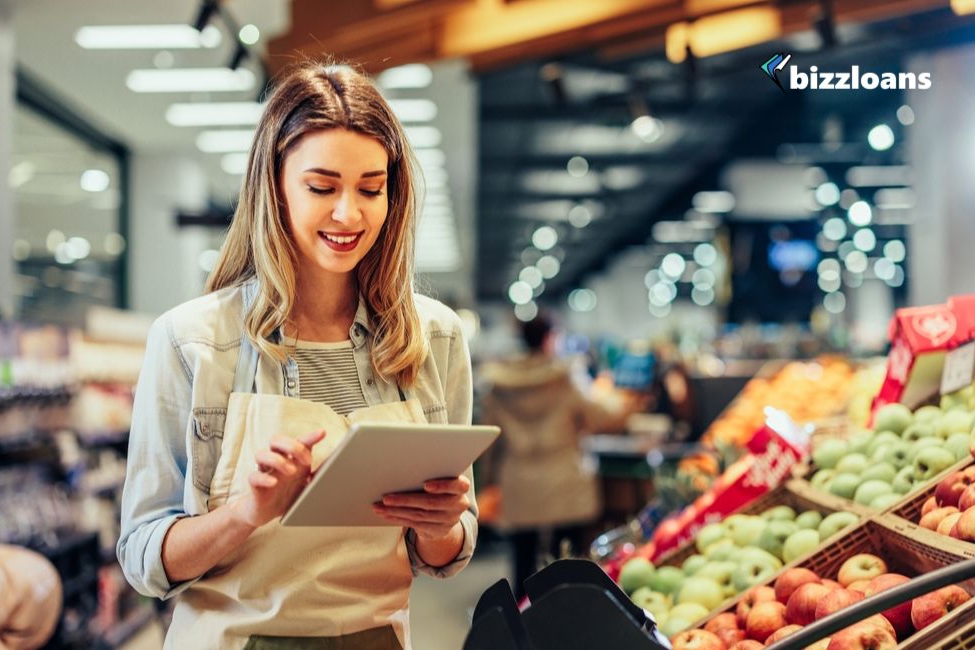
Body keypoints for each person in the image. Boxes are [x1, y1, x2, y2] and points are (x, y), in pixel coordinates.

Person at [117, 61, 477, 650]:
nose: (349, 214)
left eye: (370, 188)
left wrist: (437, 528)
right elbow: (142, 557)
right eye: (321, 186)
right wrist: (246, 513)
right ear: (274, 185)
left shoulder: (432, 338)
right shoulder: (192, 341)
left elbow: (444, 550)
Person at [481, 314, 631, 598]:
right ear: (550, 338)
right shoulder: (565, 377)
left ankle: (522, 620)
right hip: (564, 477)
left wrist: (489, 482)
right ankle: (563, 618)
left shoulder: (499, 384)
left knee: (522, 557)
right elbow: (600, 416)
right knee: (566, 560)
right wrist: (617, 397)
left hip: (519, 478)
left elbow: (490, 437)